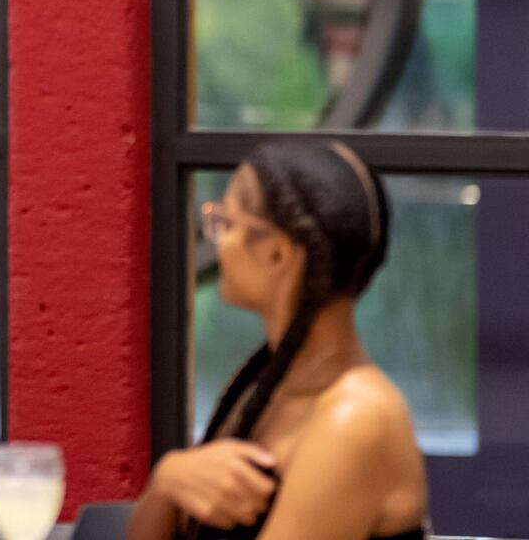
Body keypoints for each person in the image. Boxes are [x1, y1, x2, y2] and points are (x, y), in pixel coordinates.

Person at [128, 140, 428, 540]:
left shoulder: (357, 419)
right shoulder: (265, 385)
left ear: (277, 255)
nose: (217, 241)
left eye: (227, 224)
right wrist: (166, 481)